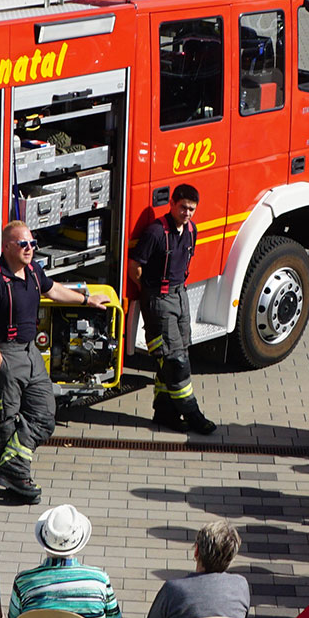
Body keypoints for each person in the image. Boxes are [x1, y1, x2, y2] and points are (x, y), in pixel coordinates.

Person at [0, 220, 94, 502]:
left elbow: (53, 290)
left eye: (32, 244)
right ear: (6, 248)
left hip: (29, 352)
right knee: (6, 420)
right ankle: (17, 477)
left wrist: (86, 300)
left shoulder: (34, 271)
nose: (30, 249)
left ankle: (11, 467)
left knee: (44, 414)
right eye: (23, 244)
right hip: (3, 352)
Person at [132, 183, 217, 435]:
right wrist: (151, 292)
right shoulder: (156, 233)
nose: (187, 213)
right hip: (159, 298)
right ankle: (192, 413)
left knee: (176, 355)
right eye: (183, 207)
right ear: (172, 203)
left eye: (192, 209)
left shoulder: (191, 230)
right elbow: (135, 267)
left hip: (181, 296)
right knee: (175, 360)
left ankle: (164, 412)